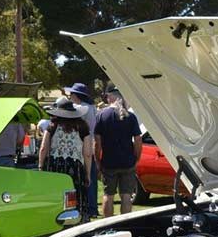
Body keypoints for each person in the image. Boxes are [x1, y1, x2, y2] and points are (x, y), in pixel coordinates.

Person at [38, 97, 92, 222]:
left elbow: (43, 148)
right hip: (76, 168)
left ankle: (54, 220)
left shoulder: (52, 125)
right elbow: (88, 153)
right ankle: (77, 220)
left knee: (55, 196)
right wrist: (88, 173)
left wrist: (41, 166)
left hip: (54, 166)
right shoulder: (83, 126)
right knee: (76, 196)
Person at [94, 84, 142, 217]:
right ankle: (125, 224)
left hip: (109, 162)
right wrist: (136, 158)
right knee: (126, 196)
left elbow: (97, 143)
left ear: (111, 97)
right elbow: (138, 140)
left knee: (108, 195)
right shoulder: (131, 117)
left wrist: (98, 161)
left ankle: (108, 225)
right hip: (127, 162)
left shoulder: (101, 115)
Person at [65, 82, 99, 218]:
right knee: (92, 178)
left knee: (83, 178)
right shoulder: (92, 108)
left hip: (81, 145)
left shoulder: (79, 109)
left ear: (76, 95)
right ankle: (93, 207)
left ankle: (85, 207)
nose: (70, 96)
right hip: (91, 143)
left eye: (71, 94)